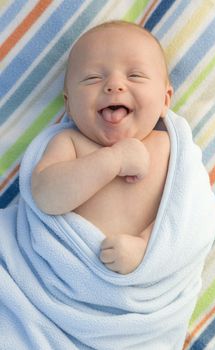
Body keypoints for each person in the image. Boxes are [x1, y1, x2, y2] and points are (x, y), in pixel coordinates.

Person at [31, 20, 173, 275]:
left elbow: (187, 219)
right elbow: (44, 196)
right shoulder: (70, 144)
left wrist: (145, 247)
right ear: (69, 104)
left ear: (165, 100)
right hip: (67, 281)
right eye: (92, 78)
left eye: (135, 75)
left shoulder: (171, 150)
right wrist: (112, 160)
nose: (114, 85)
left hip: (141, 287)